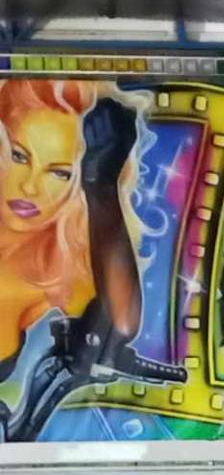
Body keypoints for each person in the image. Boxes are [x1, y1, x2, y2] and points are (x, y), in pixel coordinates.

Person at [0, 79, 142, 379]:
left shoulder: (55, 271)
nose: (30, 187)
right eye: (19, 157)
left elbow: (121, 324)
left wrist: (101, 188)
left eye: (59, 173)